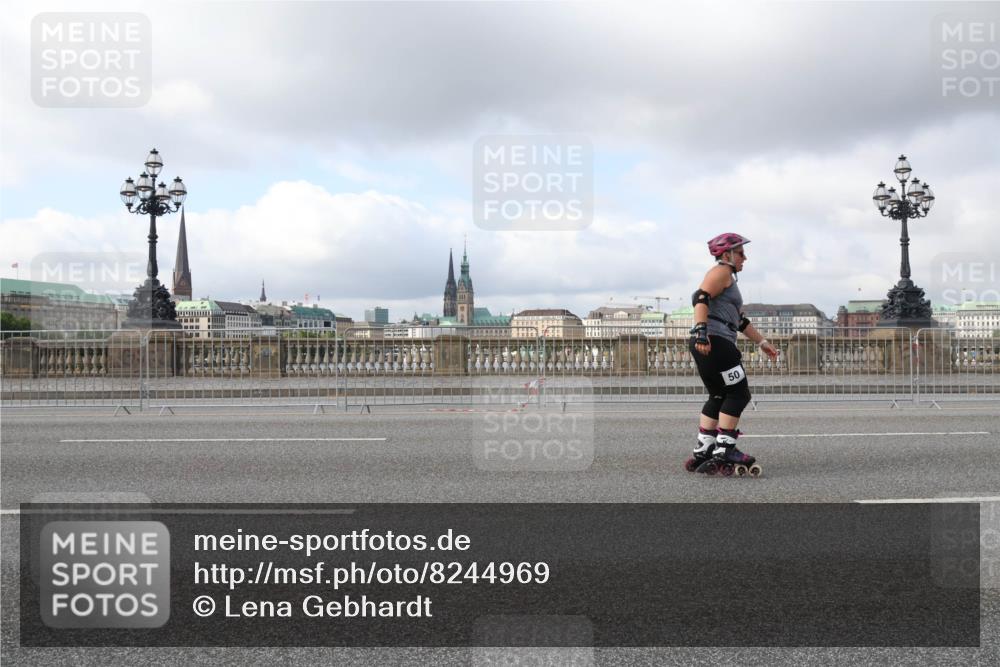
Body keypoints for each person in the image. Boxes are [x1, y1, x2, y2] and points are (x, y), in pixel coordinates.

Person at [685, 233, 779, 476]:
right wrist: (702, 332)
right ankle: (725, 449)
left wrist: (763, 342)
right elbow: (700, 298)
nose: (744, 257)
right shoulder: (721, 272)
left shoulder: (728, 279)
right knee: (738, 393)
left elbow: (739, 321)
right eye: (740, 252)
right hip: (716, 343)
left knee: (718, 395)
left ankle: (704, 449)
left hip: (711, 342)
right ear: (726, 255)